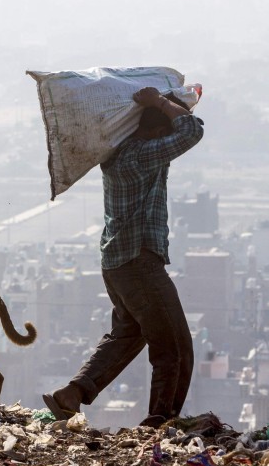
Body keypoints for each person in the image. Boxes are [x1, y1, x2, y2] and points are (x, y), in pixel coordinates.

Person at [43, 86, 205, 428]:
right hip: (139, 263)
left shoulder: (120, 152)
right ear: (159, 130)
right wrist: (160, 102)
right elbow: (192, 130)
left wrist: (172, 103)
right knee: (174, 347)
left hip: (117, 263)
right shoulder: (142, 155)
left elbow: (182, 125)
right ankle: (161, 421)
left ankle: (72, 394)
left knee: (128, 334)